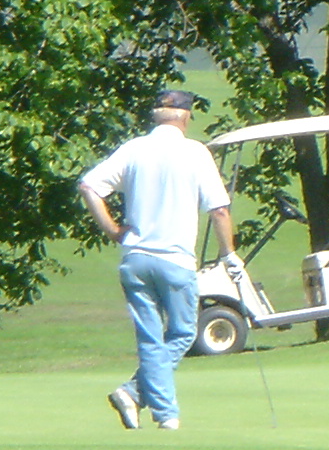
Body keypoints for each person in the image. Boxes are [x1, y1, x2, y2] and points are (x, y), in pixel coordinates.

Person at [79, 89, 239, 432]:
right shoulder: (195, 152)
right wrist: (230, 254)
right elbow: (220, 209)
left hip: (135, 258)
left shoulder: (134, 148)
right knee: (182, 332)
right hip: (175, 259)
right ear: (185, 116)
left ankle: (136, 395)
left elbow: (90, 186)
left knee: (150, 338)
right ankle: (161, 412)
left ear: (157, 115)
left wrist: (113, 231)